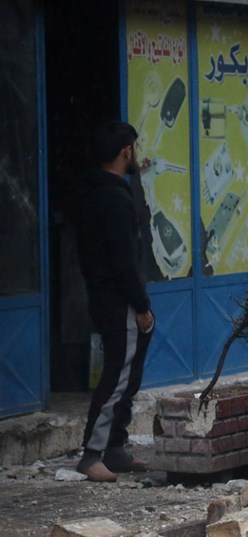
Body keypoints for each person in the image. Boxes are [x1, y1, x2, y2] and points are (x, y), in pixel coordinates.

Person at [75, 120, 154, 482]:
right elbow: (123, 261)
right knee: (118, 377)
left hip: (107, 296)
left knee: (128, 373)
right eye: (134, 148)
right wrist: (140, 305)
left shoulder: (94, 191)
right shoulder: (113, 197)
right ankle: (92, 455)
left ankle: (115, 448)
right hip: (119, 300)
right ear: (127, 151)